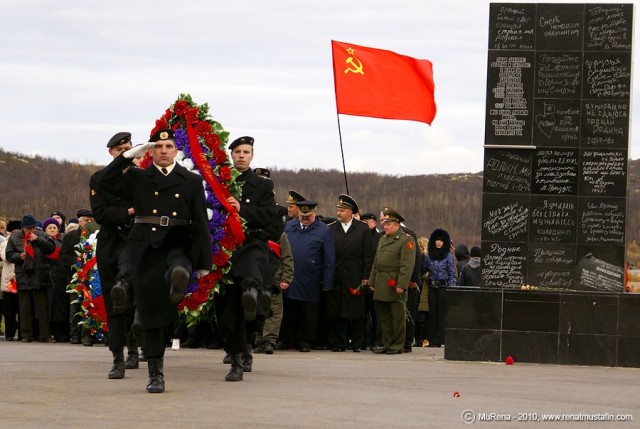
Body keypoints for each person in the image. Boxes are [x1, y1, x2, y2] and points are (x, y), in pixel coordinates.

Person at [96, 129, 212, 393]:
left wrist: (204, 260)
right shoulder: (138, 177)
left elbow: (201, 221)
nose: (163, 150)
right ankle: (156, 373)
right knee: (151, 311)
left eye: (168, 146)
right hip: (145, 244)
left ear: (176, 150)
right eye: (157, 146)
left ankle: (179, 274)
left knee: (179, 264)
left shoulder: (191, 180)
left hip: (179, 237)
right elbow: (104, 181)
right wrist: (127, 156)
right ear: (150, 151)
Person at [216, 136, 276, 382]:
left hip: (251, 245)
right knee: (227, 305)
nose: (241, 155)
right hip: (224, 248)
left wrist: (242, 209)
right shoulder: (220, 183)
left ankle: (240, 359)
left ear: (252, 156)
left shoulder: (262, 186)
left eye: (246, 152)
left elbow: (268, 216)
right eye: (237, 152)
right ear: (231, 156)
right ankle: (238, 352)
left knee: (247, 296)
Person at [90, 131, 141, 379]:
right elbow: (100, 213)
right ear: (111, 152)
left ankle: (133, 350)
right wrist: (128, 211)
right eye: (120, 151)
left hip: (133, 241)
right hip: (110, 242)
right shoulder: (99, 179)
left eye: (128, 150)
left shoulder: (138, 176)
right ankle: (117, 357)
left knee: (130, 295)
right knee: (114, 302)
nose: (124, 154)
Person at [278, 201, 335, 352]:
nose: (304, 218)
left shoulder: (323, 230)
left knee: (308, 313)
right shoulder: (289, 226)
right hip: (290, 277)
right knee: (288, 311)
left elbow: (329, 258)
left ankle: (304, 340)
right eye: (302, 216)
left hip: (311, 278)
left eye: (308, 216)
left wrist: (327, 283)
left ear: (314, 213)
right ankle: (285, 339)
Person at [326, 194, 373, 352]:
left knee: (356, 311)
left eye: (342, 210)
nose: (338, 213)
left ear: (350, 212)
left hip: (356, 275)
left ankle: (357, 343)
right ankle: (339, 342)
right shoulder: (332, 228)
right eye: (338, 210)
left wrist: (366, 277)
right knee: (337, 310)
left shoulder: (362, 228)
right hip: (337, 275)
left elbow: (368, 255)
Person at [369, 208, 416, 354]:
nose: (385, 226)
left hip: (394, 282)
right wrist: (372, 281)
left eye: (388, 224)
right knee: (384, 317)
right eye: (384, 224)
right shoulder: (383, 239)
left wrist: (401, 284)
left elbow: (407, 266)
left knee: (397, 316)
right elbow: (376, 262)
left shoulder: (406, 240)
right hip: (381, 282)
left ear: (397, 224)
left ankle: (397, 345)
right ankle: (387, 343)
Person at [5, 214, 56, 343]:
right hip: (23, 274)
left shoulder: (42, 235)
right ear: (23, 228)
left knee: (42, 307)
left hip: (40, 274)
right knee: (24, 307)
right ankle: (26, 335)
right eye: (28, 228)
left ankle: (44, 335)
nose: (31, 230)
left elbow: (51, 249)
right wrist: (19, 256)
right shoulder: (14, 237)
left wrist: (37, 239)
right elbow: (9, 255)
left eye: (33, 228)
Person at [60, 209, 96, 345]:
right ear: (80, 222)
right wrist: (78, 262)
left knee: (92, 306)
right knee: (75, 306)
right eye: (86, 220)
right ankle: (74, 334)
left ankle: (91, 334)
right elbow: (64, 256)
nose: (89, 222)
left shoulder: (97, 236)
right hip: (76, 278)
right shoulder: (70, 237)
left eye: (91, 220)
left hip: (93, 278)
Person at [421, 228, 456, 348]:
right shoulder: (429, 256)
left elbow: (452, 274)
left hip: (443, 287)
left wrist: (452, 290)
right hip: (432, 287)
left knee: (441, 314)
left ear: (444, 242)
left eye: (441, 240)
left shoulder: (448, 257)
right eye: (437, 240)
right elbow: (423, 270)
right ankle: (431, 339)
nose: (439, 242)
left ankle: (439, 339)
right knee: (431, 314)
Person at [41, 217, 69, 342]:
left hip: (61, 274)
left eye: (54, 228)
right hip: (47, 274)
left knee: (60, 304)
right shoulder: (42, 241)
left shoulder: (63, 240)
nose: (52, 230)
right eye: (50, 228)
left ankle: (61, 331)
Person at [1, 220, 22, 340]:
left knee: (22, 309)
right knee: (9, 310)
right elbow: (6, 257)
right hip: (9, 280)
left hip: (22, 279)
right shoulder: (4, 243)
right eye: (13, 231)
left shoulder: (24, 242)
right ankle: (9, 333)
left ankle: (21, 333)